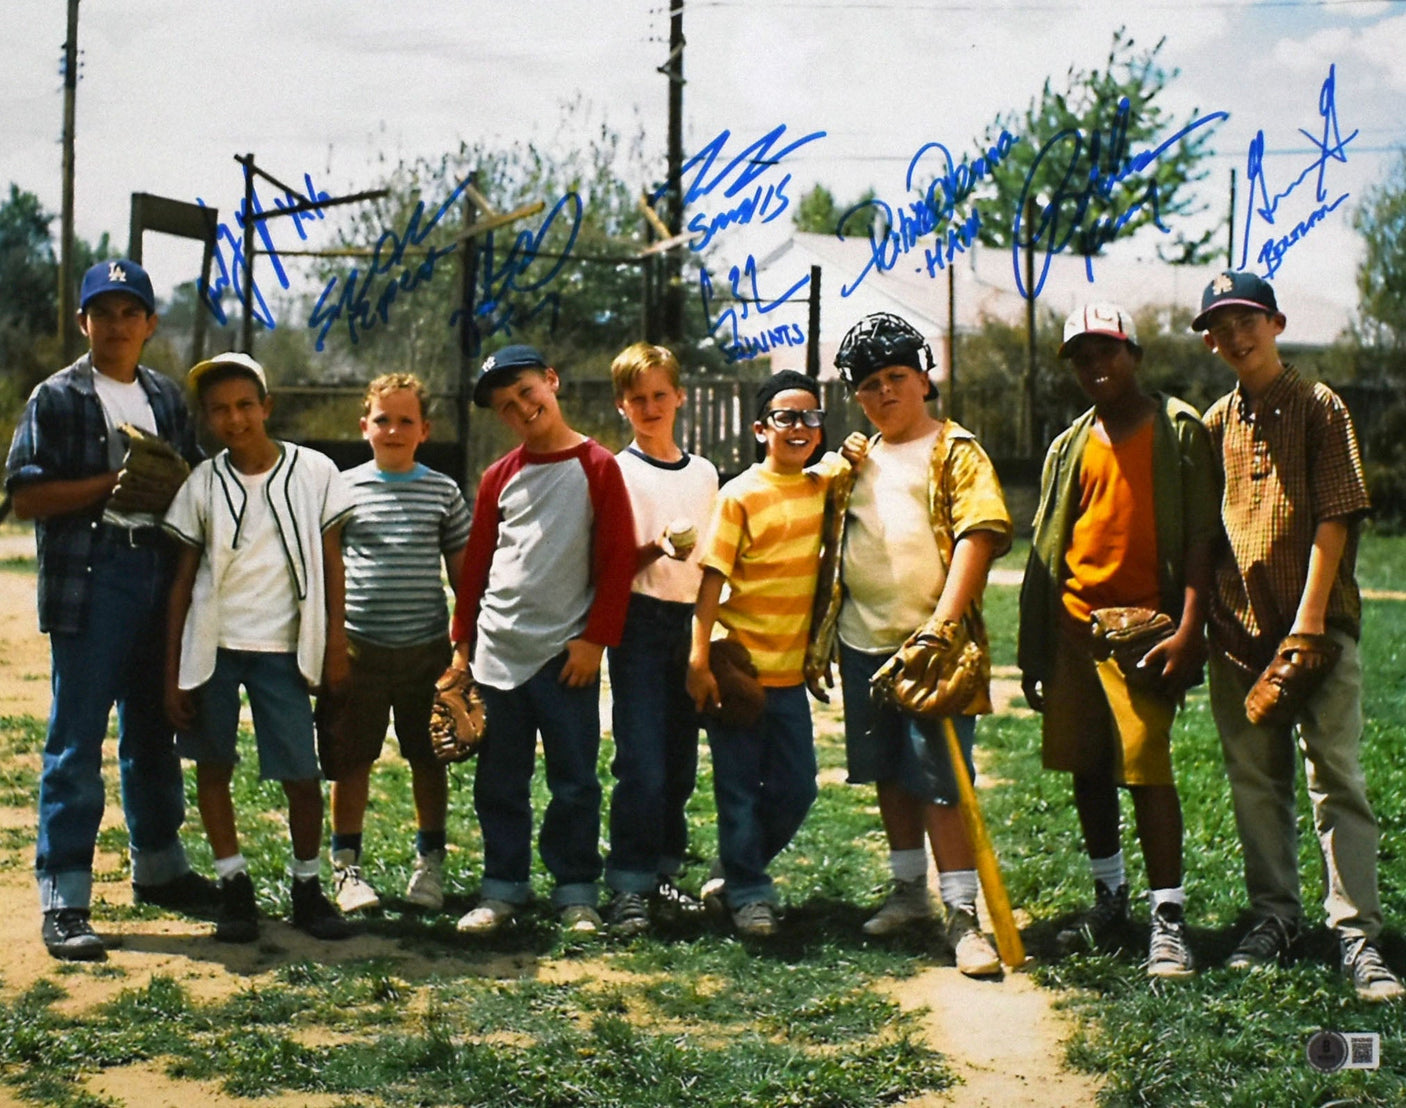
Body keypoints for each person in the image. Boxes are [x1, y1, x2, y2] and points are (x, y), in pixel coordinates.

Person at [1194, 271, 1403, 1001]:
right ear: (1211, 342)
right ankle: (1274, 914)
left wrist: (1310, 623)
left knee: (1335, 776)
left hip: (1316, 628)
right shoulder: (1216, 422)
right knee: (1255, 781)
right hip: (1240, 629)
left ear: (1276, 323)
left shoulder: (1319, 406)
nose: (1236, 335)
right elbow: (1207, 533)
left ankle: (1355, 932)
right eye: (1220, 325)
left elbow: (1336, 514)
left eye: (1247, 318)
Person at [4, 259, 218, 961]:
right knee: (77, 734)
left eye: (132, 313)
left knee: (153, 728)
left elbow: (190, 485)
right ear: (83, 322)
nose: (118, 326)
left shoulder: (163, 396)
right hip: (94, 575)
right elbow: (26, 497)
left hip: (158, 568)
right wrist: (113, 482)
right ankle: (65, 894)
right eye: (105, 312)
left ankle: (159, 863)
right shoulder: (58, 397)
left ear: (151, 324)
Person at [1018, 302, 1218, 980]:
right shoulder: (1071, 441)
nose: (1095, 366)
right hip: (1076, 627)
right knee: (1087, 766)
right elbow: (1052, 542)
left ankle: (1168, 917)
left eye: (1107, 350)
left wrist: (1191, 628)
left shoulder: (1177, 429)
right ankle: (1111, 898)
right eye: (1081, 355)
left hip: (1146, 632)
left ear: (1133, 353)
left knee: (1146, 765)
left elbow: (1199, 538)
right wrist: (1039, 647)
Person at [808, 312, 1012, 977]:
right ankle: (908, 893)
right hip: (866, 643)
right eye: (868, 385)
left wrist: (944, 625)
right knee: (889, 774)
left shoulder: (955, 450)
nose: (884, 393)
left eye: (897, 377)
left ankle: (961, 912)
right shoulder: (855, 463)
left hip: (933, 646)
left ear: (925, 378)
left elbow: (980, 532)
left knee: (939, 782)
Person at [163, 352, 353, 943]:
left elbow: (332, 563)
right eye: (219, 410)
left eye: (245, 405)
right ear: (207, 419)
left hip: (285, 649)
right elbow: (181, 584)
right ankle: (234, 886)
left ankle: (307, 885)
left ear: (266, 407)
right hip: (215, 647)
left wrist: (338, 641)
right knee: (214, 766)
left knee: (301, 773)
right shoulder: (203, 483)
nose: (235, 419)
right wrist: (172, 675)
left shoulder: (315, 471)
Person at [449, 344, 636, 937]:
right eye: (506, 406)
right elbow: (475, 569)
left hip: (564, 657)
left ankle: (575, 889)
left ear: (551, 382)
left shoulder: (598, 466)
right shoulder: (497, 478)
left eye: (527, 392)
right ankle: (502, 887)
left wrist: (594, 641)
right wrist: (462, 647)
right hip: (499, 653)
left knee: (574, 780)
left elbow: (616, 560)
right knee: (499, 781)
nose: (521, 408)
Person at [687, 370, 840, 939]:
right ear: (760, 429)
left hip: (790, 678)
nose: (799, 427)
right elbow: (710, 582)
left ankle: (733, 867)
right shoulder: (739, 495)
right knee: (737, 787)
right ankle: (750, 895)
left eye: (810, 417)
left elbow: (857, 463)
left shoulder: (825, 487)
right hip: (740, 672)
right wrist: (699, 660)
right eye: (785, 417)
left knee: (798, 787)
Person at [324, 373, 470, 914]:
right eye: (382, 419)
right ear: (364, 425)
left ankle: (429, 866)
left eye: (406, 420)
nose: (393, 429)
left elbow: (461, 576)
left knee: (428, 759)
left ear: (425, 429)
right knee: (351, 760)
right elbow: (330, 569)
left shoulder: (442, 491)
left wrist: (463, 649)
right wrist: (332, 642)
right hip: (360, 651)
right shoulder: (343, 488)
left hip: (425, 653)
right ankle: (347, 869)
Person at [604, 343, 718, 936]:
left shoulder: (703, 473)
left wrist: (706, 633)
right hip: (640, 623)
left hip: (691, 622)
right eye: (637, 398)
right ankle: (627, 884)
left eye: (659, 395)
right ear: (623, 405)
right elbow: (609, 564)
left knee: (679, 763)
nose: (650, 407)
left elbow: (714, 564)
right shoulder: (617, 470)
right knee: (642, 761)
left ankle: (664, 874)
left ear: (678, 395)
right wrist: (658, 548)